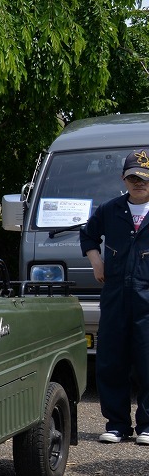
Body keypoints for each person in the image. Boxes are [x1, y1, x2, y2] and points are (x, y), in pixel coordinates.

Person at [81, 149, 149, 444]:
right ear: (124, 178)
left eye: (143, 178)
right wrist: (96, 261)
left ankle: (147, 426)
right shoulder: (110, 210)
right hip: (115, 297)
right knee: (111, 360)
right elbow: (88, 235)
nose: (138, 183)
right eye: (133, 177)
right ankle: (117, 425)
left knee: (147, 360)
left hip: (147, 299)